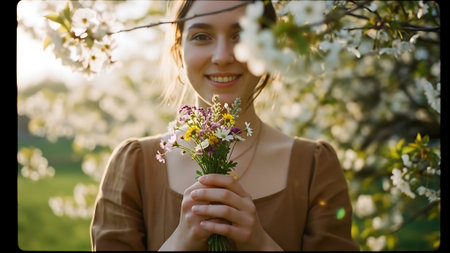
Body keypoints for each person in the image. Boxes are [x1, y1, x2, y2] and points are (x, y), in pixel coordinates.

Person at [90, 0, 360, 251]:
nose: (221, 56)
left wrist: (260, 243)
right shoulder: (135, 166)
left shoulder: (314, 168)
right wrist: (180, 243)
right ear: (179, 51)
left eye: (241, 35)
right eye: (201, 36)